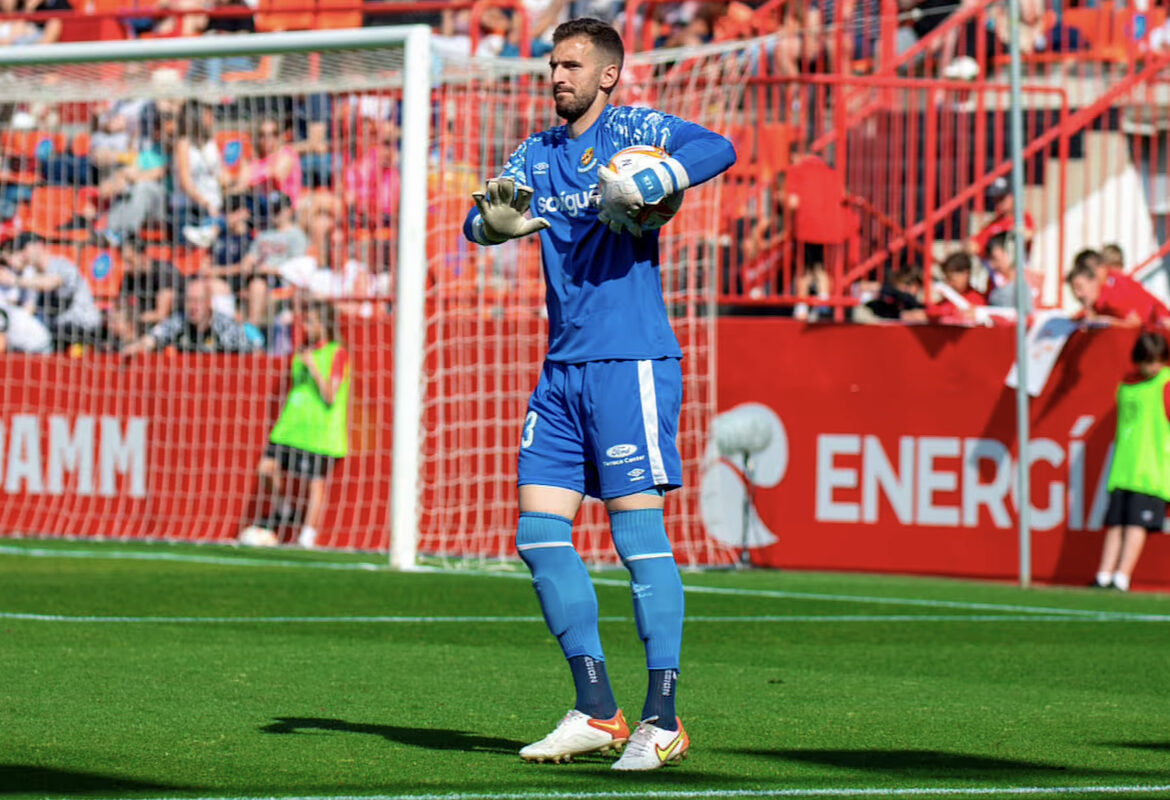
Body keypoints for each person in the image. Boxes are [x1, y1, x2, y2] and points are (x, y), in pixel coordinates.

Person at [462, 17, 736, 771]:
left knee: (636, 539)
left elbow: (719, 148)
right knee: (537, 536)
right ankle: (596, 707)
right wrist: (494, 225)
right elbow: (476, 219)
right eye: (553, 64)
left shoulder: (637, 128)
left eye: (573, 65)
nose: (558, 76)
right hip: (562, 371)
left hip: (631, 361)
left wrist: (661, 177)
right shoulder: (537, 151)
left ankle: (664, 717)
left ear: (608, 75)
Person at [238, 301, 349, 549]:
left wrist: (313, 368)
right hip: (290, 427)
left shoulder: (336, 353)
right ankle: (283, 509)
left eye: (311, 322)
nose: (307, 327)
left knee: (314, 481)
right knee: (266, 468)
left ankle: (307, 536)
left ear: (324, 324)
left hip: (318, 431)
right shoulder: (301, 351)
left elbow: (330, 396)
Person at [1093, 331, 1170, 592]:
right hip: (1124, 468)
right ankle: (1104, 575)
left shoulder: (1166, 384)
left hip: (1152, 470)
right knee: (1116, 524)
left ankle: (1121, 577)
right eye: (1148, 360)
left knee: (1136, 525)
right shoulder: (1127, 384)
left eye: (1157, 360)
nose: (1153, 366)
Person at [0, 232, 102, 349]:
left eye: (23, 248)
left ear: (38, 245)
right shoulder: (31, 275)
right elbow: (27, 310)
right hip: (57, 335)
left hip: (83, 328)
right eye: (18, 250)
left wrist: (15, 280)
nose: (22, 254)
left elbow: (51, 283)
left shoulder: (62, 264)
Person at [121, 277, 257, 355]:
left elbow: (252, 354)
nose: (193, 306)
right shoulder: (179, 321)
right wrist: (138, 346)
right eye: (189, 300)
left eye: (198, 301)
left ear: (209, 302)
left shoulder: (225, 326)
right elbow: (154, 337)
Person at [1067, 252, 1170, 327]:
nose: (1078, 294)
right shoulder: (1109, 283)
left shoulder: (1112, 293)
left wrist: (1103, 321)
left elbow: (1134, 322)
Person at [968, 177, 1035, 258]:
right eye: (996, 198)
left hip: (1018, 266)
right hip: (996, 267)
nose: (998, 202)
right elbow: (974, 245)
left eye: (1002, 198)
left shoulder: (1023, 218)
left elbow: (1029, 236)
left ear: (1012, 197)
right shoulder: (995, 222)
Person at [928, 252, 987, 324]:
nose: (949, 284)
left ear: (966, 274)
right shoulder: (946, 299)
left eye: (951, 279)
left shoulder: (977, 300)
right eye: (947, 280)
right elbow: (930, 313)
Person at [985, 232, 1034, 316]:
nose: (991, 265)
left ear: (1011, 253)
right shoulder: (993, 282)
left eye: (994, 258)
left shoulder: (1024, 286)